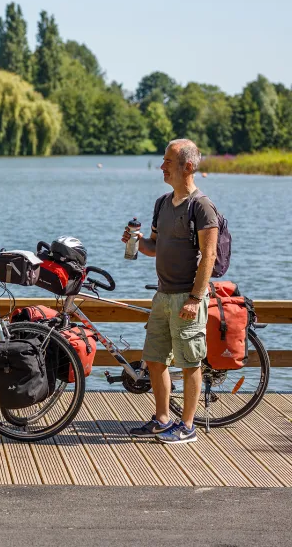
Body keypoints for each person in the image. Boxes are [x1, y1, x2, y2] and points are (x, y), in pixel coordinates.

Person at [121, 139, 219, 444]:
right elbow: (153, 246)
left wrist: (194, 298)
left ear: (187, 166)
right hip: (162, 295)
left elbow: (209, 256)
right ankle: (162, 419)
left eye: (168, 161)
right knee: (154, 358)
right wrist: (135, 242)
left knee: (190, 362)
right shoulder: (162, 203)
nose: (162, 166)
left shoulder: (201, 207)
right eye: (163, 161)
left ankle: (187, 426)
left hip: (186, 297)